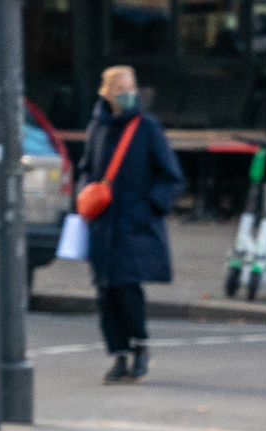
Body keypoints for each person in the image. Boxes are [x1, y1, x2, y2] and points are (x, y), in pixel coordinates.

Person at [81, 65, 186, 384]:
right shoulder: (96, 127)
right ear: (106, 92)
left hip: (132, 222)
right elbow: (87, 168)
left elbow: (171, 175)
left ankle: (139, 345)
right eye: (120, 89)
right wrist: (84, 194)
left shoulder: (147, 128)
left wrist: (149, 207)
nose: (127, 94)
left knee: (127, 287)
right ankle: (118, 354)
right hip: (102, 223)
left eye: (131, 88)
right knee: (105, 291)